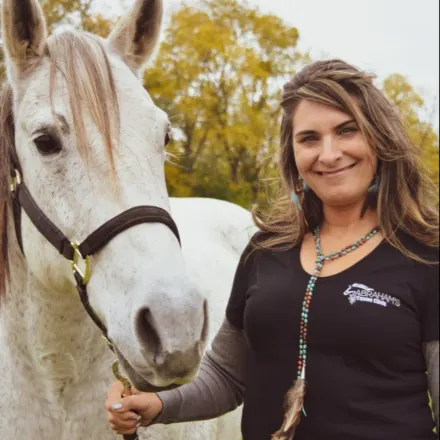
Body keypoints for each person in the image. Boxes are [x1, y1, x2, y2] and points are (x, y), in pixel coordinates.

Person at [105, 59, 440, 440]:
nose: (329, 154)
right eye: (309, 138)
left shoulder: (426, 257)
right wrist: (159, 406)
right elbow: (227, 377)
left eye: (347, 131)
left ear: (379, 138)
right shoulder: (265, 250)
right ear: (293, 155)